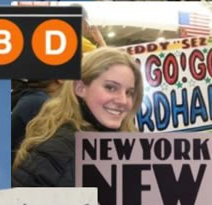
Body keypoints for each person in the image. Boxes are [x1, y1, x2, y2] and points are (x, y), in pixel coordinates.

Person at [11, 48, 144, 188]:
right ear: (80, 88)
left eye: (129, 92)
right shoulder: (59, 154)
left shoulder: (122, 142)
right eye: (110, 88)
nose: (123, 100)